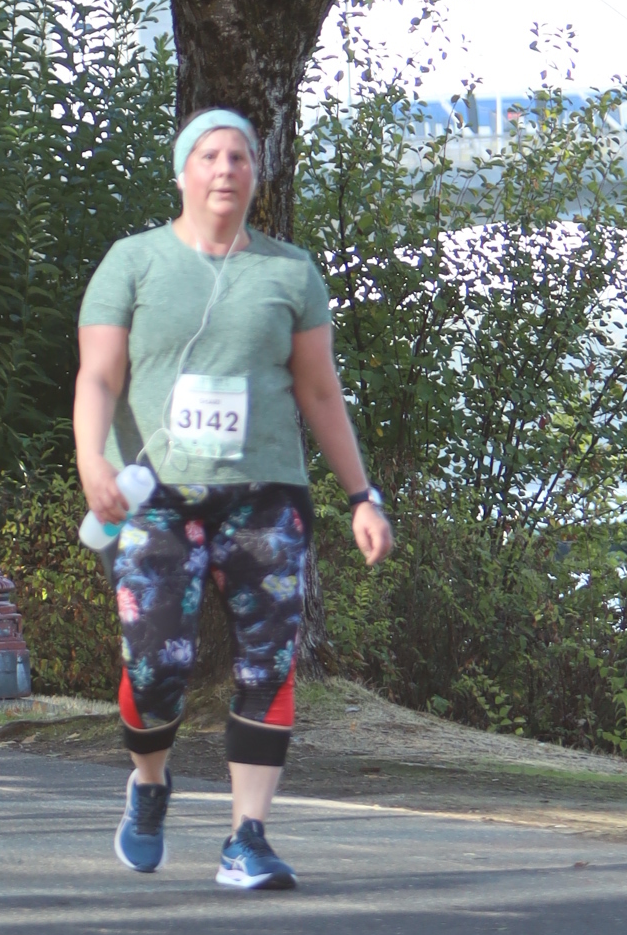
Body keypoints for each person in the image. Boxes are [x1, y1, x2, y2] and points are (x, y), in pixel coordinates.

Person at [74, 107, 395, 892]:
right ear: (183, 172)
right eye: (210, 156)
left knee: (268, 661)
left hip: (267, 494)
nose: (225, 169)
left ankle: (247, 838)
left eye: (240, 157)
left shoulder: (290, 272)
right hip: (157, 497)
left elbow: (320, 391)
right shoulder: (133, 261)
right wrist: (91, 461)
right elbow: (99, 376)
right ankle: (150, 781)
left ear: (257, 174)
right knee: (157, 663)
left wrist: (362, 496)